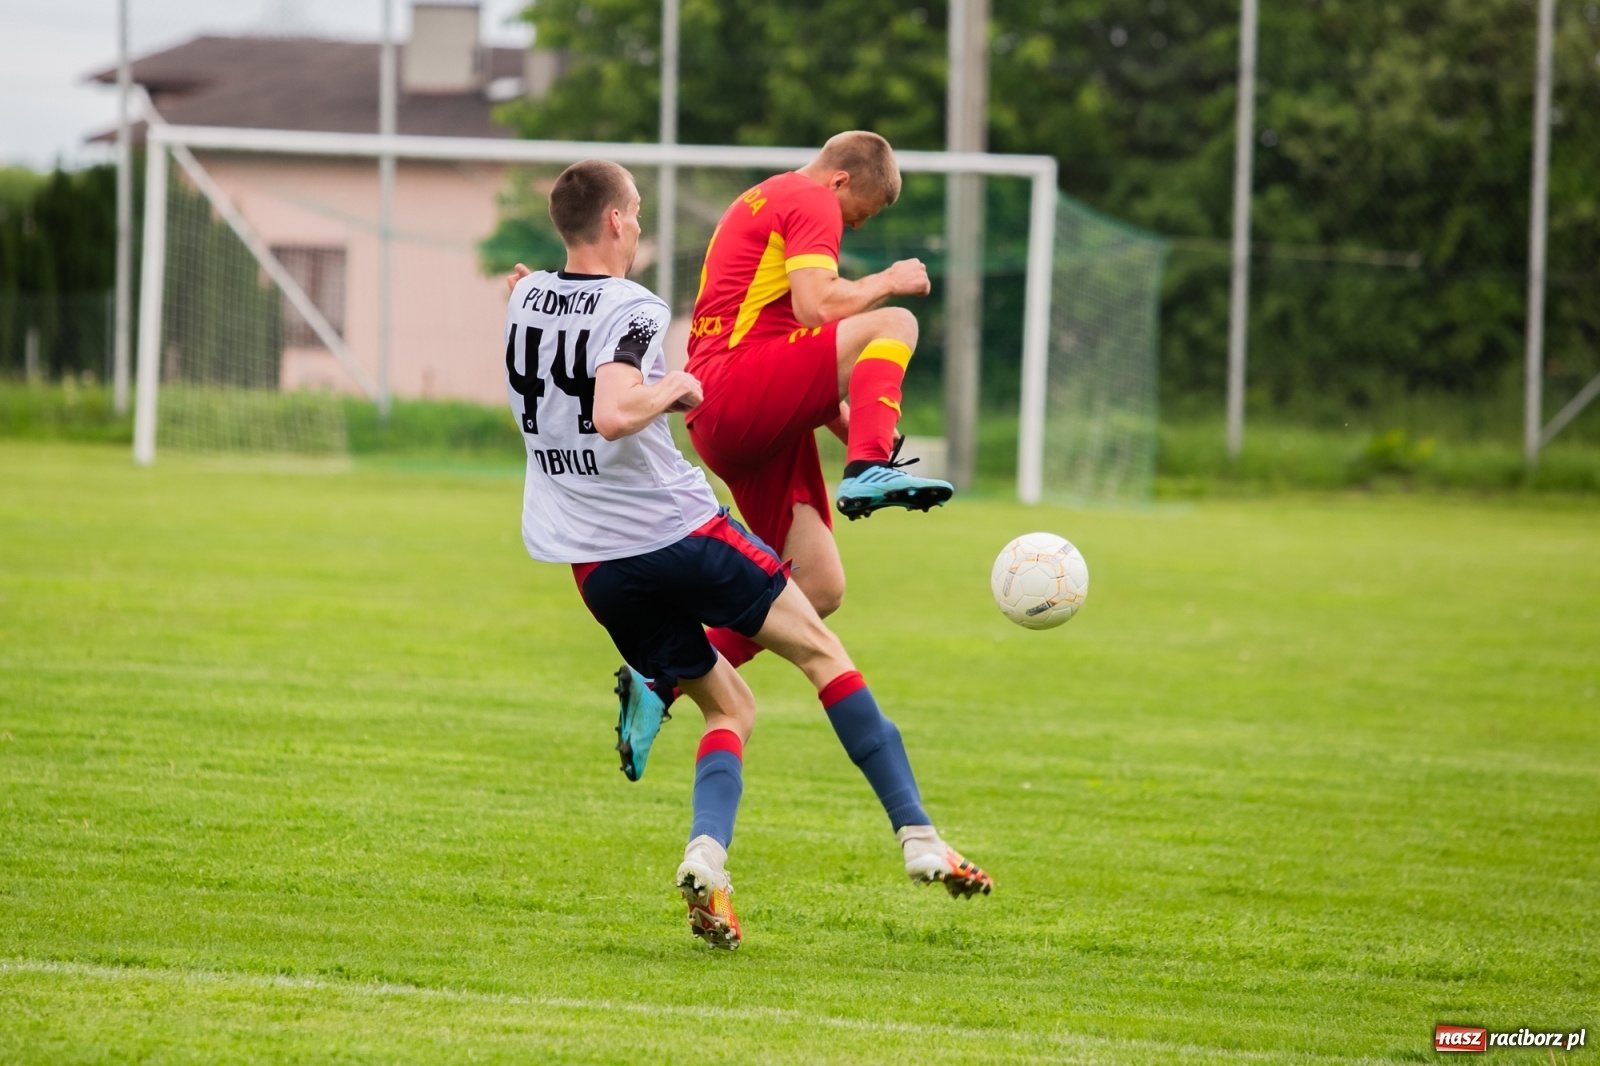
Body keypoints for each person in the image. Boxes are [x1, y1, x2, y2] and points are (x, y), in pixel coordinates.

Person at [503, 160, 991, 950]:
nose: (639, 225)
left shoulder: (525, 301)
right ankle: (919, 836)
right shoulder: (634, 307)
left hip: (592, 564)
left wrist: (533, 289)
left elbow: (554, 310)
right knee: (823, 652)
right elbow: (615, 412)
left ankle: (706, 860)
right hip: (677, 534)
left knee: (732, 705)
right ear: (618, 222)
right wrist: (674, 388)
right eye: (637, 213)